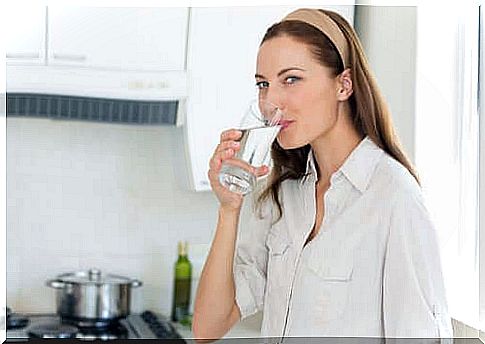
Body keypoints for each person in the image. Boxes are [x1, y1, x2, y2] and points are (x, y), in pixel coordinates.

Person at [192, 8, 453, 341]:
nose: (270, 101)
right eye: (263, 84)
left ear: (343, 85)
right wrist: (229, 209)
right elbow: (207, 328)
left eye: (291, 79)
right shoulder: (282, 193)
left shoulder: (393, 197)